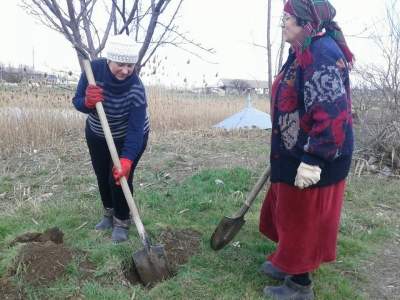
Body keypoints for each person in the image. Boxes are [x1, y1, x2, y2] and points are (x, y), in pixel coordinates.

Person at [258, 1, 354, 299]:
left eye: (287, 18)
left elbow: (332, 113)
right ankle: (287, 262)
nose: (283, 23)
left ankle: (299, 286)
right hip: (293, 148)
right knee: (286, 212)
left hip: (315, 154)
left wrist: (312, 160)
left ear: (303, 22)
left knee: (302, 220)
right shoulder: (301, 50)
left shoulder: (321, 54)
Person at [72, 34, 150, 243]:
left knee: (118, 177)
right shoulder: (93, 71)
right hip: (98, 133)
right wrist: (87, 101)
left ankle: (122, 221)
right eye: (120, 64)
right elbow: (77, 101)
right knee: (101, 174)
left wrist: (127, 159)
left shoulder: (136, 89)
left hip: (129, 136)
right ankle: (108, 213)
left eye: (130, 65)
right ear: (109, 60)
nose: (125, 70)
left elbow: (135, 130)